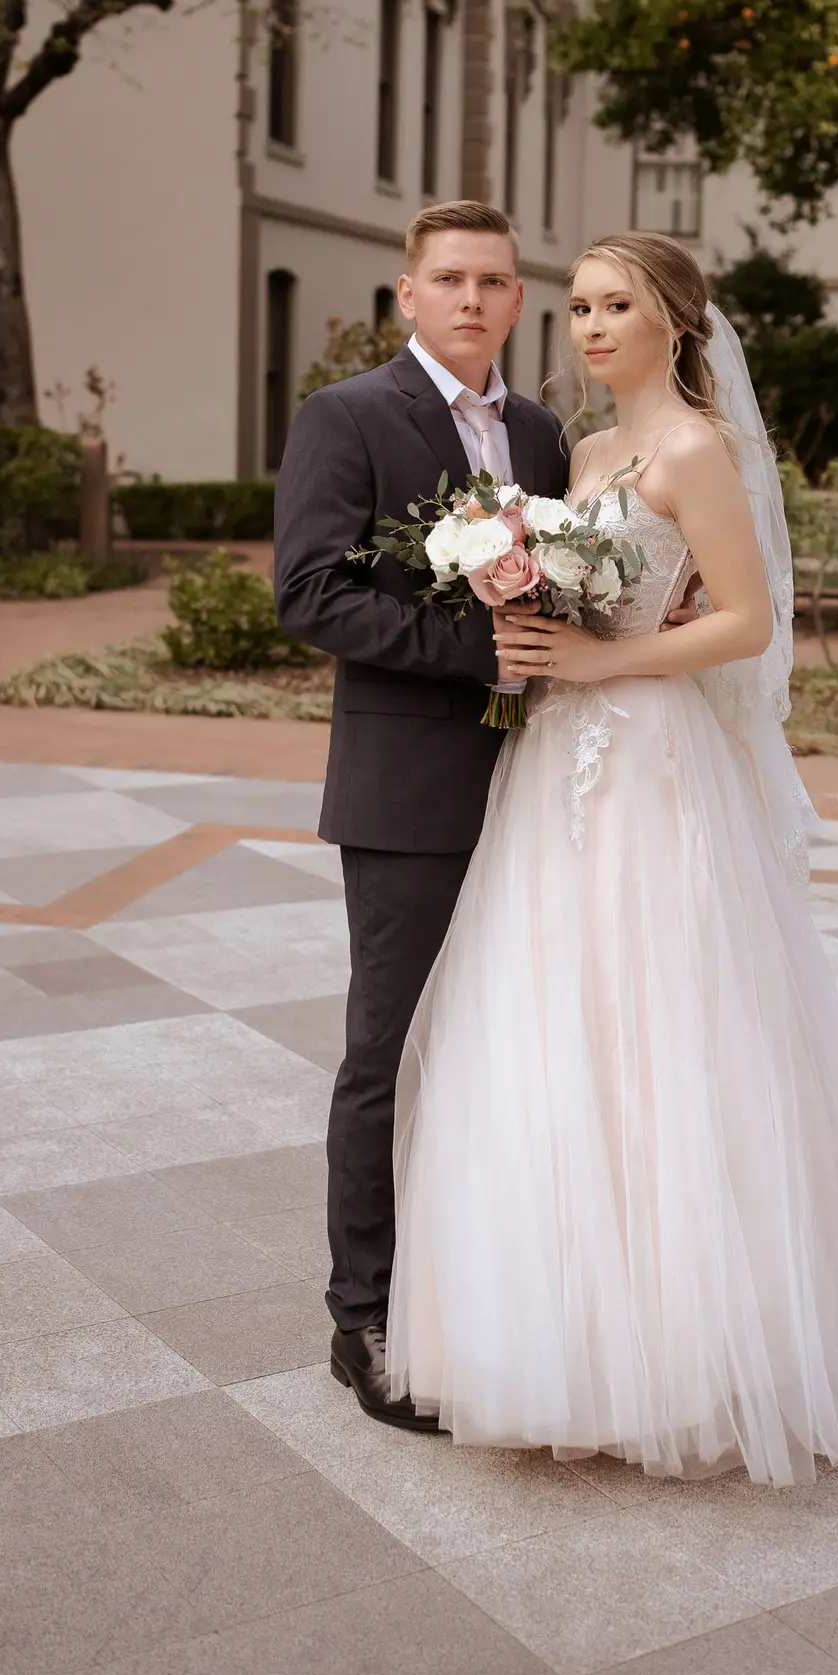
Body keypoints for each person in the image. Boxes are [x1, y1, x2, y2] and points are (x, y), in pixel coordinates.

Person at [386, 232, 838, 1483]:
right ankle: (561, 1340)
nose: (592, 327)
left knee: (670, 1022)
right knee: (555, 1019)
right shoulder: (588, 452)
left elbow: (748, 623)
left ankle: (707, 1350)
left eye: (619, 306)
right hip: (555, 758)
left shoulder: (699, 449)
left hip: (651, 757)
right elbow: (603, 594)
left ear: (675, 321)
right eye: (583, 307)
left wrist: (602, 660)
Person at [274, 200, 571, 1429]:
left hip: (540, 786)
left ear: (516, 299)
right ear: (408, 294)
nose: (470, 300)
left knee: (502, 1047)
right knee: (388, 1054)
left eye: (492, 282)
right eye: (448, 279)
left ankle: (477, 1291)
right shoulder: (347, 417)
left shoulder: (542, 433)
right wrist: (475, 651)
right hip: (407, 789)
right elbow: (308, 593)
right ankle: (364, 1316)